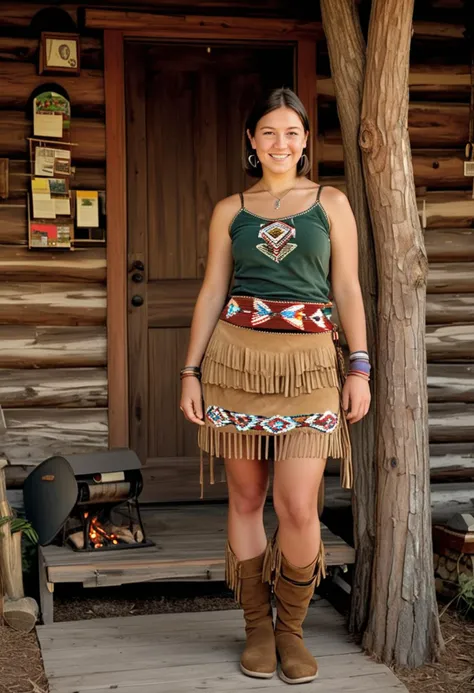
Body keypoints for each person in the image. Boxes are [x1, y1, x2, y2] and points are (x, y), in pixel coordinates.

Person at [180, 87, 371, 685]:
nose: (280, 142)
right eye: (268, 132)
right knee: (243, 500)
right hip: (235, 364)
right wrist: (190, 371)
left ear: (306, 140)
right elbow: (213, 289)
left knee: (295, 505)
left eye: (291, 132)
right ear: (251, 140)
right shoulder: (230, 209)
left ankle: (292, 631)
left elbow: (347, 289)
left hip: (312, 366)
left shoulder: (331, 203)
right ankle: (257, 629)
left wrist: (359, 367)